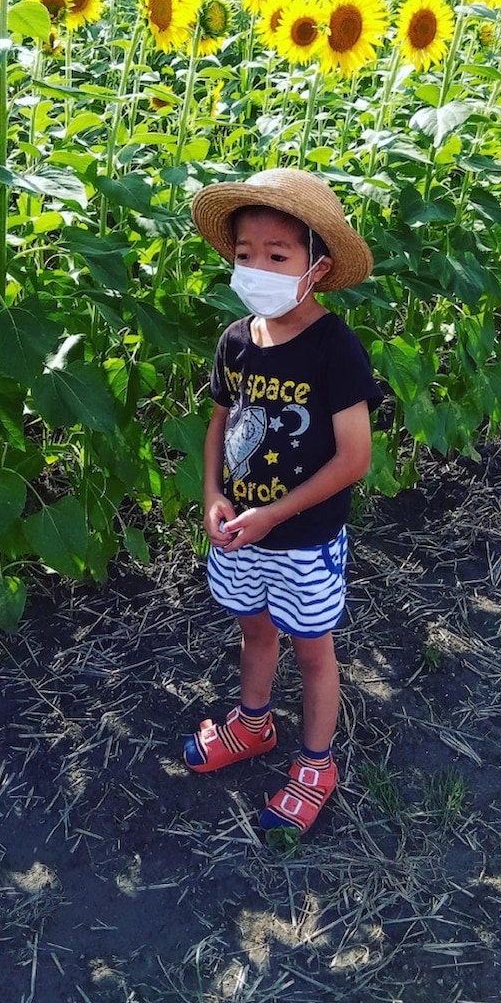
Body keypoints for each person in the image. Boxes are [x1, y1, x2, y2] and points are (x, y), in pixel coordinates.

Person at [185, 168, 385, 838]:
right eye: (246, 255)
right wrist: (213, 491)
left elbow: (354, 456)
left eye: (278, 256)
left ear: (316, 265)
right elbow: (219, 419)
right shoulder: (237, 339)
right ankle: (253, 723)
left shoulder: (335, 349)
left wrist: (276, 513)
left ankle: (316, 764)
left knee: (312, 648)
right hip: (244, 533)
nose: (258, 268)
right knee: (254, 630)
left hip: (303, 539)